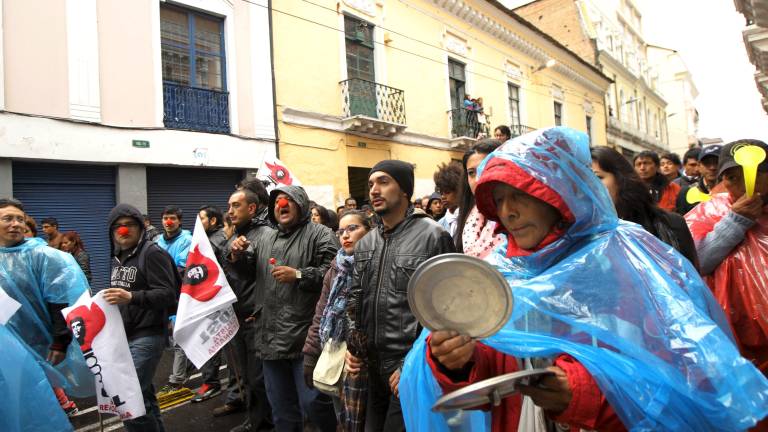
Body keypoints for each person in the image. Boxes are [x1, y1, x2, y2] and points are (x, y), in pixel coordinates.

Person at [399, 127, 768, 432]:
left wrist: (578, 394)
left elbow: (680, 372)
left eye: (520, 196)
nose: (508, 212)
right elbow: (491, 368)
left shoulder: (627, 257)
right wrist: (456, 361)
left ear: (556, 193)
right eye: (499, 199)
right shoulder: (500, 270)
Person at [345, 160, 455, 431]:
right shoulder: (367, 242)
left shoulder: (433, 235)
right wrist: (354, 344)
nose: (374, 190)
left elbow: (446, 310)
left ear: (404, 190)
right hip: (371, 368)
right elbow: (354, 299)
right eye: (371, 184)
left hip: (409, 368)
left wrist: (411, 363)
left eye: (384, 182)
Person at [0, 198, 92, 429]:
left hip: (39, 345)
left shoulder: (44, 256)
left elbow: (60, 299)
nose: (15, 224)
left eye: (19, 219)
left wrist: (60, 342)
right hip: (6, 347)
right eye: (7, 219)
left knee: (38, 398)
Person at [685, 140, 768, 388]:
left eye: (751, 174)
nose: (742, 184)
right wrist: (735, 221)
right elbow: (695, 264)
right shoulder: (709, 211)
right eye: (731, 177)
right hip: (733, 338)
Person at [257, 185, 339, 431]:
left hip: (305, 338)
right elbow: (250, 274)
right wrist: (236, 256)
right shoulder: (265, 237)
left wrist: (300, 275)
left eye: (287, 200)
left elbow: (336, 273)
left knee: (314, 404)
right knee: (281, 410)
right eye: (277, 201)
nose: (281, 205)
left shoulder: (321, 234)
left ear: (301, 204)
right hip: (270, 338)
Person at [102, 203, 179, 432]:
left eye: (129, 225)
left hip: (148, 333)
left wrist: (132, 296)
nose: (123, 231)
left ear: (140, 228)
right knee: (143, 396)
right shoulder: (118, 256)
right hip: (125, 334)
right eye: (117, 226)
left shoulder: (152, 253)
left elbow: (169, 294)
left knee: (127, 399)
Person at [303, 210, 373, 423]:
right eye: (341, 231)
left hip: (366, 361)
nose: (345, 235)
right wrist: (310, 354)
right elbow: (321, 312)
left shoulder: (376, 263)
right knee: (342, 418)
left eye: (352, 229)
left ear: (370, 231)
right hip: (336, 353)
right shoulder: (336, 267)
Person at [220, 185, 275, 431]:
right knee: (247, 375)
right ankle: (255, 420)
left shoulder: (266, 234)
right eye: (229, 206)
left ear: (252, 208)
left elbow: (259, 274)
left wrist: (241, 256)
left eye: (236, 205)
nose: (230, 211)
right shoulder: (234, 236)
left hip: (256, 317)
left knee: (258, 377)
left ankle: (264, 423)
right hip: (238, 315)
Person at [591, 147, 698, 267]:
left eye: (597, 177)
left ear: (620, 178)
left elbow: (690, 278)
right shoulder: (579, 234)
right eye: (582, 178)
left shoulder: (670, 224)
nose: (588, 185)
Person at [190, 205, 229, 404]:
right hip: (206, 299)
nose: (198, 222)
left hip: (218, 300)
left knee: (216, 341)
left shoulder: (218, 240)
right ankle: (211, 381)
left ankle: (214, 383)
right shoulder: (204, 240)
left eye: (201, 218)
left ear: (213, 221)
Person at [155, 205, 194, 396]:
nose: (168, 222)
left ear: (179, 220)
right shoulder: (157, 241)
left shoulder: (187, 240)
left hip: (179, 297)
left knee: (178, 338)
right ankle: (190, 363)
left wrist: (157, 278)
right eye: (165, 218)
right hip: (159, 297)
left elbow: (182, 269)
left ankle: (176, 380)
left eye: (172, 218)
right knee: (169, 339)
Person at [455, 139, 505, 257]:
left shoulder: (520, 217)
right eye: (471, 173)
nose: (477, 179)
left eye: (485, 168)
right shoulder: (467, 215)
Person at [676, 145, 724, 215]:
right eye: (707, 163)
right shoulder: (686, 193)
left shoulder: (736, 190)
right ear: (699, 166)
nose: (712, 167)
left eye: (717, 162)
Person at [434, 161, 464, 237]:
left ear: (459, 190)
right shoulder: (439, 224)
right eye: (441, 192)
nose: (443, 197)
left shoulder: (471, 219)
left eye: (447, 192)